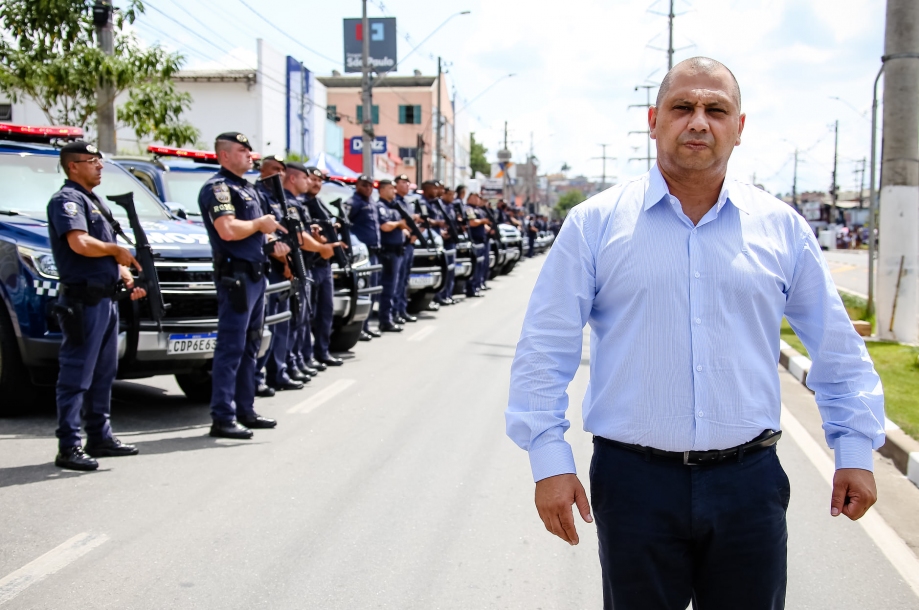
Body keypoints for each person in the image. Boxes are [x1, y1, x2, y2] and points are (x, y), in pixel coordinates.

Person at [505, 57, 885, 610]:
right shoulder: (595, 223)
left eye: (716, 109)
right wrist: (550, 462)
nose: (699, 121)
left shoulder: (781, 228)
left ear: (739, 126)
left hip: (748, 483)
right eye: (683, 107)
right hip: (634, 484)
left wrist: (854, 448)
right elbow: (544, 349)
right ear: (655, 119)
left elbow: (836, 346)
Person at [47, 141, 146, 470]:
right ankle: (69, 446)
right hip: (84, 301)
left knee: (104, 373)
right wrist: (115, 252)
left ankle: (99, 437)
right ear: (73, 166)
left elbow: (103, 249)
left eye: (99, 161)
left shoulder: (93, 200)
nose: (99, 166)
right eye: (92, 161)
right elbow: (80, 243)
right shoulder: (67, 201)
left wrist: (124, 273)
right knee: (77, 374)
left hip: (106, 298)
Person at [198, 132, 286, 439]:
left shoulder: (249, 188)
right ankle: (222, 416)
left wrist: (272, 239)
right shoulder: (218, 188)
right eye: (242, 150)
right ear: (224, 155)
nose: (250, 155)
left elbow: (260, 231)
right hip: (235, 278)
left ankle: (245, 409)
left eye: (250, 150)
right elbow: (228, 230)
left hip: (256, 274)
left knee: (251, 345)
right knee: (231, 347)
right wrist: (260, 225)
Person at [253, 155, 305, 394]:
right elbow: (266, 236)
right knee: (266, 325)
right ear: (262, 171)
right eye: (274, 169)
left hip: (288, 269)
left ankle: (279, 372)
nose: (279, 174)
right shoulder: (259, 197)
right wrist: (284, 263)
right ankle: (257, 377)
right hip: (273, 268)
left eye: (282, 170)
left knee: (284, 322)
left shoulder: (280, 199)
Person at [303, 166, 347, 367]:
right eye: (312, 179)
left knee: (325, 312)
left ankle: (322, 351)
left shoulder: (318, 203)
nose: (316, 184)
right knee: (307, 314)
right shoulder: (300, 204)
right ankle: (305, 356)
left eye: (319, 181)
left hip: (325, 264)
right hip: (309, 264)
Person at [376, 179, 408, 332]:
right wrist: (399, 224)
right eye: (390, 188)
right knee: (388, 287)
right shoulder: (380, 207)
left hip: (399, 251)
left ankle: (393, 314)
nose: (394, 191)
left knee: (397, 286)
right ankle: (385, 320)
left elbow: (403, 225)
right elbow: (385, 226)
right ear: (381, 190)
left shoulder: (394, 207)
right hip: (388, 252)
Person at [393, 174, 418, 324]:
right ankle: (394, 312)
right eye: (403, 183)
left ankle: (402, 310)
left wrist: (415, 234)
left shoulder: (408, 203)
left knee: (404, 281)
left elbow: (412, 223)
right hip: (399, 245)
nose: (406, 185)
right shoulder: (393, 202)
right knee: (397, 281)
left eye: (408, 183)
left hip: (410, 245)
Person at [464, 192, 491, 298]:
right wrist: (482, 221)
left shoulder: (479, 210)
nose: (477, 200)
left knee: (481, 265)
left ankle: (477, 286)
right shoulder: (469, 209)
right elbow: (472, 223)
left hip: (482, 240)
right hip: (474, 240)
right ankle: (471, 288)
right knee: (475, 266)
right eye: (475, 197)